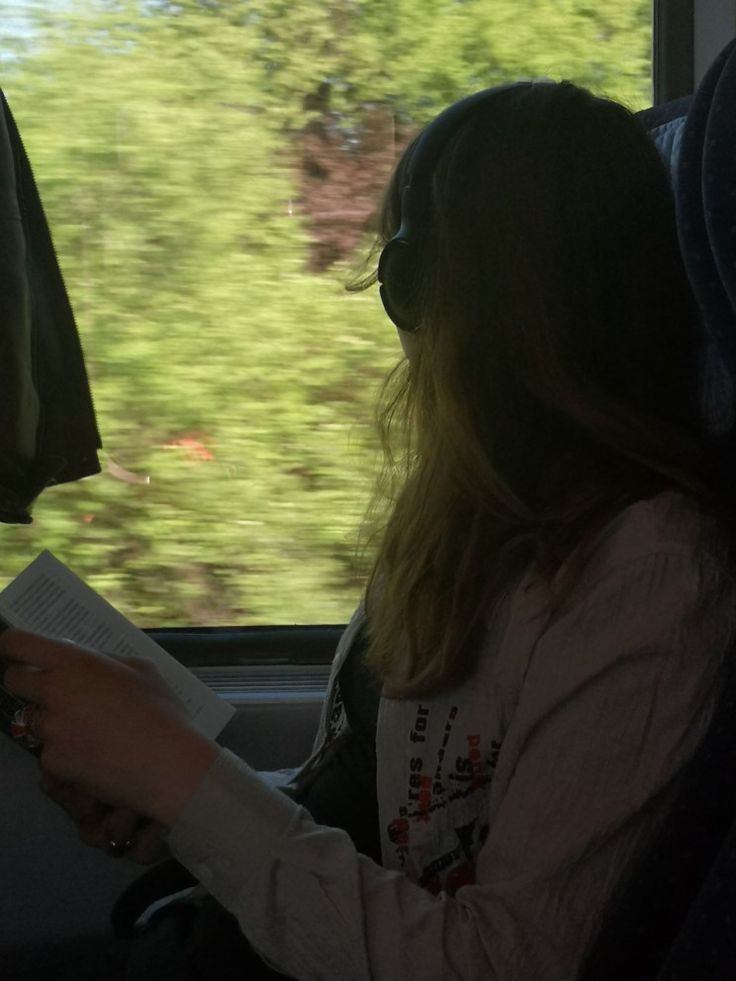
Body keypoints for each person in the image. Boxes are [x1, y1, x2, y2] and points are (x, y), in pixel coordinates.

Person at [4, 79, 736, 980]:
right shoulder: (463, 531)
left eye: (405, 276)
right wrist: (180, 790)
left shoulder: (651, 571)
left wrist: (182, 779)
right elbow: (381, 833)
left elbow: (499, 962)